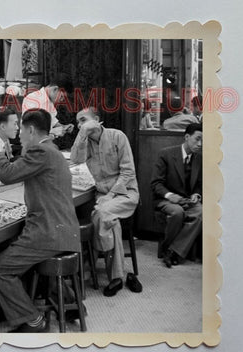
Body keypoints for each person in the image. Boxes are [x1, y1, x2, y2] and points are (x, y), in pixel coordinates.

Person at [0, 109, 81, 332]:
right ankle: (70, 306)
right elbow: (25, 175)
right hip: (64, 228)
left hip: (47, 232)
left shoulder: (40, 151)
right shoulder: (52, 150)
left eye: (21, 129)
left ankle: (31, 319)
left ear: (30, 130)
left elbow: (8, 173)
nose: (19, 134)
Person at [70, 107, 141, 297]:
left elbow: (128, 172)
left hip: (125, 193)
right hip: (102, 196)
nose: (80, 124)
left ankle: (90, 263)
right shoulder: (85, 142)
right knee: (111, 223)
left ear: (97, 120)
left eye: (83, 120)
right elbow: (76, 159)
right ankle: (118, 277)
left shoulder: (118, 137)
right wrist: (82, 133)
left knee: (101, 214)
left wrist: (111, 196)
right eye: (78, 122)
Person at [151, 123, 203, 268]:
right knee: (177, 212)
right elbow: (156, 184)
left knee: (202, 212)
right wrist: (169, 195)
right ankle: (174, 251)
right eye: (197, 139)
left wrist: (196, 194)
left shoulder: (200, 158)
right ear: (187, 137)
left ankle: (172, 251)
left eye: (203, 141)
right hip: (166, 199)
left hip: (187, 200)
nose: (200, 144)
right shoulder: (166, 154)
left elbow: (199, 184)